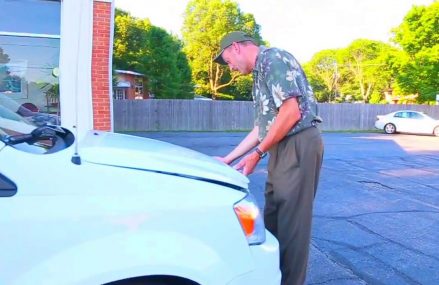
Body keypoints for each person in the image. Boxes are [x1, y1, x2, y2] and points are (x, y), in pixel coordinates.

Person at [213, 31, 324, 285]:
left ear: (237, 47)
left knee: (292, 228)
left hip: (298, 144)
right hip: (281, 146)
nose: (229, 67)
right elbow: (261, 127)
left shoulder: (272, 59)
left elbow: (291, 112)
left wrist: (258, 153)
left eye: (228, 60)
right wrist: (229, 159)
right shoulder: (259, 72)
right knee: (274, 221)